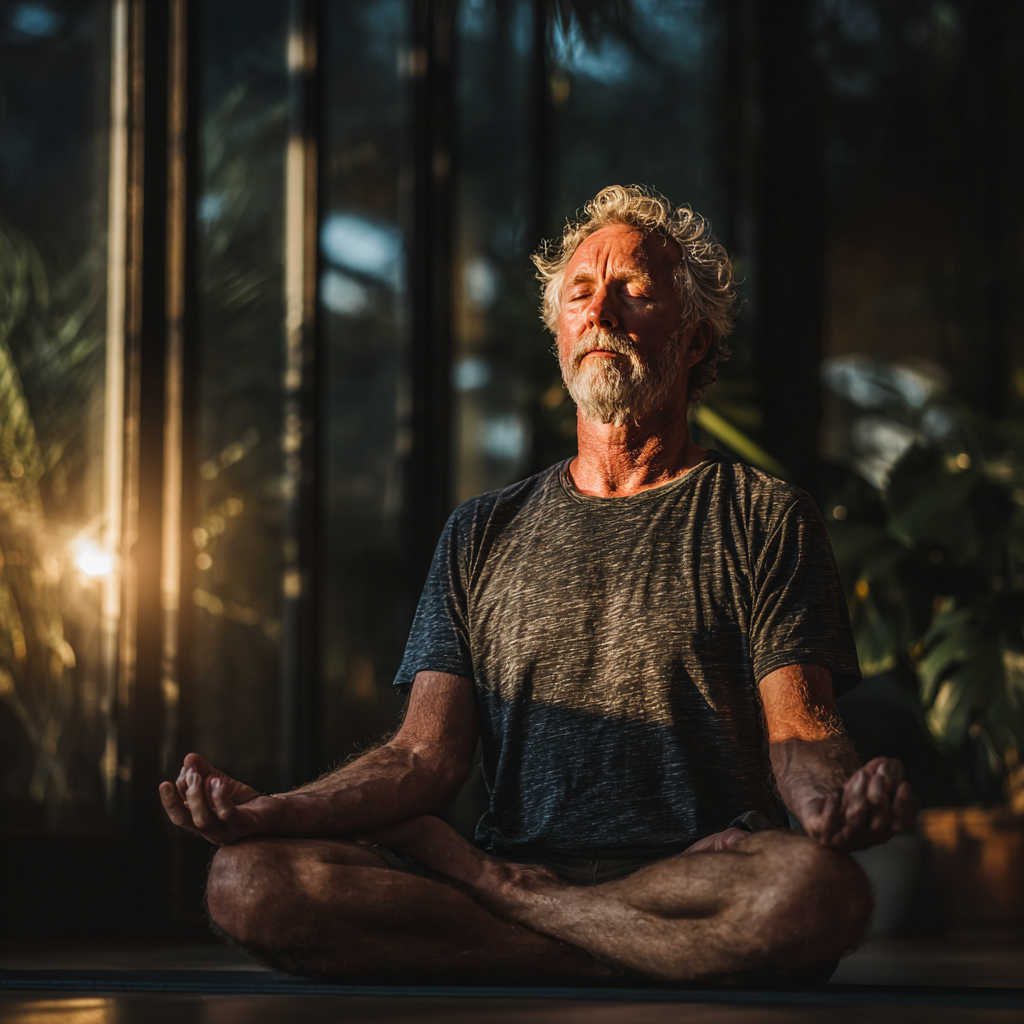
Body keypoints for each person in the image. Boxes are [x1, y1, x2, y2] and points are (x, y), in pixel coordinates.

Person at [159, 185, 914, 987]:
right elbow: (421, 757)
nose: (602, 312)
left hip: (693, 874)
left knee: (818, 894)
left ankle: (533, 919)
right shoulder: (481, 530)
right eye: (581, 294)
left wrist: (835, 799)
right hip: (529, 869)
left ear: (694, 341)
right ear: (559, 332)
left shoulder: (763, 516)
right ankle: (613, 945)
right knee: (247, 882)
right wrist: (275, 812)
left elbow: (800, 734)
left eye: (636, 292)